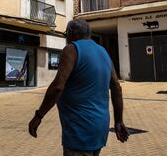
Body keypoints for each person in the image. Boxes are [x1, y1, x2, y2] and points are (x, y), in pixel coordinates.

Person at [28, 19, 129, 156]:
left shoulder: (71, 49)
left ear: (72, 33)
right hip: (99, 129)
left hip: (79, 131)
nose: (66, 37)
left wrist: (39, 116)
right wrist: (119, 121)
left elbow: (58, 87)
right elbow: (116, 87)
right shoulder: (103, 52)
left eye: (66, 34)